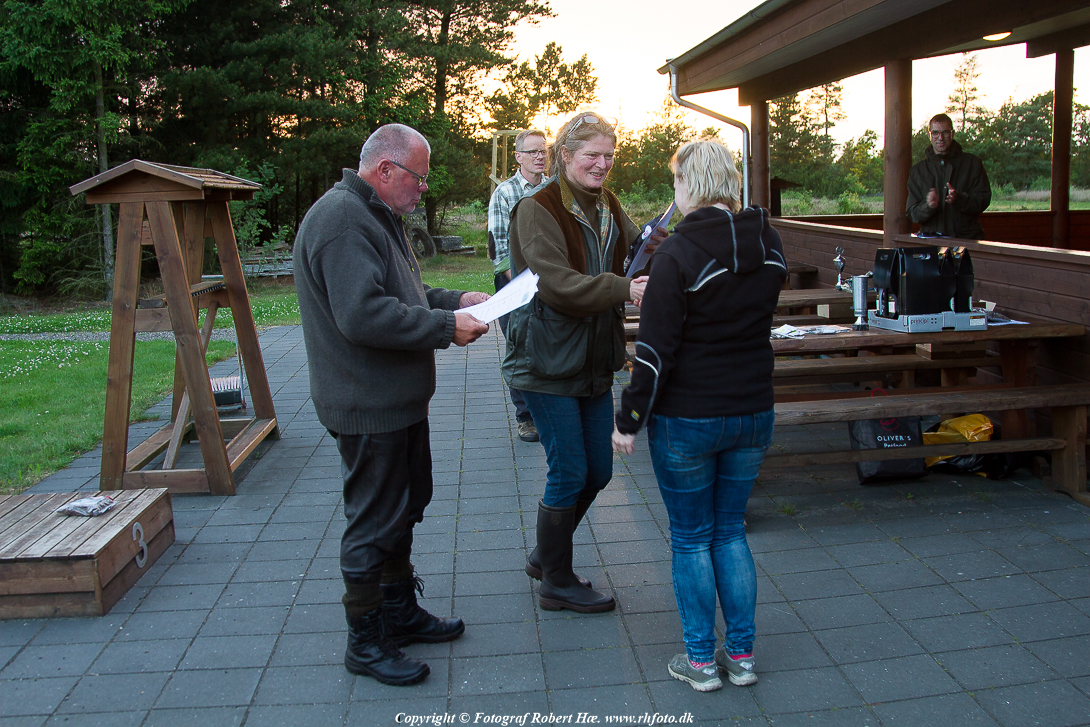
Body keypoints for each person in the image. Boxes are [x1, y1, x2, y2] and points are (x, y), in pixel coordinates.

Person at [293, 123, 490, 686]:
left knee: (403, 508)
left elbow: (403, 295)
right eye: (418, 178)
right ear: (385, 170)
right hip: (366, 403)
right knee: (373, 522)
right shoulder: (341, 219)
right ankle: (365, 641)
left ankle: (399, 612)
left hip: (395, 401)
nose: (424, 188)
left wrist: (456, 301)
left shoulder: (376, 215)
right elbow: (362, 315)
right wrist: (446, 327)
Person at [613, 138, 786, 692]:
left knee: (692, 538)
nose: (675, 192)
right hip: (753, 411)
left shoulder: (678, 255)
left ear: (689, 183)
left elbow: (654, 353)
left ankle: (701, 661)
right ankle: (742, 656)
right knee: (730, 531)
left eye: (676, 182)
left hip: (688, 418)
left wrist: (629, 418)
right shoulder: (769, 242)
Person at [503, 111, 665, 613]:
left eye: (609, 156)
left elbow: (639, 248)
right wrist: (624, 288)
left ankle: (545, 554)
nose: (602, 164)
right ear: (565, 156)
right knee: (570, 471)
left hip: (593, 360)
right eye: (592, 155)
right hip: (545, 361)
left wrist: (667, 248)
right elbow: (557, 284)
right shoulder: (537, 208)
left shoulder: (608, 204)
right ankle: (556, 580)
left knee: (598, 471)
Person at [488, 129, 548, 443]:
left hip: (550, 281)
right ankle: (526, 417)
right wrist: (523, 285)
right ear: (518, 156)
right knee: (519, 348)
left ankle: (549, 411)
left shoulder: (556, 189)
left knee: (548, 346)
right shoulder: (505, 193)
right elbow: (499, 248)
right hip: (514, 283)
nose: (540, 156)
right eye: (533, 151)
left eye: (543, 151)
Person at [906, 113, 991, 239]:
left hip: (967, 241)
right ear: (930, 135)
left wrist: (960, 199)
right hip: (932, 242)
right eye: (935, 133)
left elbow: (983, 200)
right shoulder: (918, 171)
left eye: (945, 132)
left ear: (952, 134)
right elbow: (912, 213)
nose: (940, 138)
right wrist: (928, 206)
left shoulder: (972, 164)